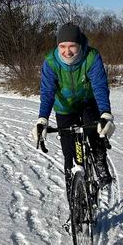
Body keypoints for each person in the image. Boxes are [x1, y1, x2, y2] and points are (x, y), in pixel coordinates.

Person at [31, 23, 115, 193]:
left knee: (95, 130)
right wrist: (42, 119)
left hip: (87, 102)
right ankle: (74, 203)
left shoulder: (91, 57)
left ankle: (99, 161)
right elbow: (47, 92)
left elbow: (99, 86)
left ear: (80, 45)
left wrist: (106, 113)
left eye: (72, 46)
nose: (67, 52)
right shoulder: (51, 62)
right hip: (64, 108)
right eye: (62, 46)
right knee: (69, 157)